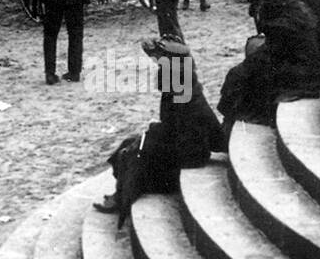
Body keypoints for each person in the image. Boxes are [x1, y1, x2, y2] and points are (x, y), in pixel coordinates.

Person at [93, 34, 223, 226]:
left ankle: (122, 199)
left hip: (188, 155)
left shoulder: (183, 94)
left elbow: (180, 130)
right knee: (131, 143)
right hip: (184, 147)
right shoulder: (184, 86)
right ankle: (120, 194)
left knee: (135, 154)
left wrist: (155, 133)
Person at [244, 0, 320, 101]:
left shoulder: (280, 24)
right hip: (301, 67)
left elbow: (277, 55)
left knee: (241, 74)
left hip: (294, 73)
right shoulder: (299, 13)